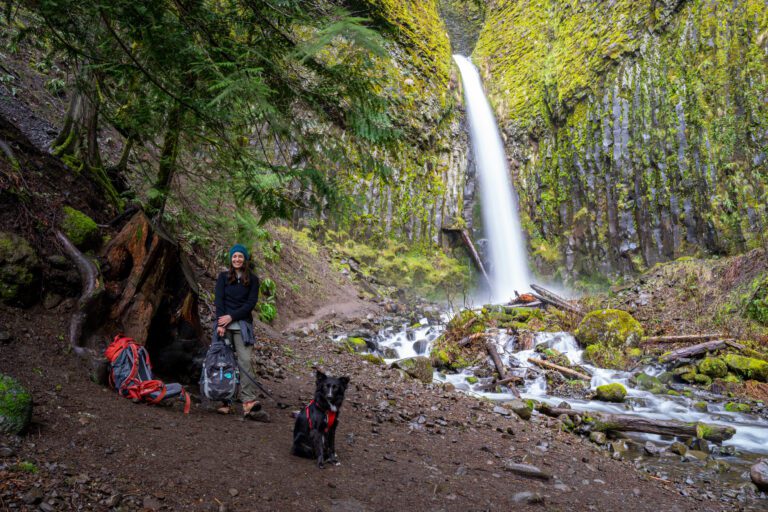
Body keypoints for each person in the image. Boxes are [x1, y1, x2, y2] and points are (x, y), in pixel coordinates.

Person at [213, 243, 267, 421]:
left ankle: (248, 401)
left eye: (240, 257)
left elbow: (250, 304)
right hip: (223, 327)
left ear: (245, 259)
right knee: (223, 363)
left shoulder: (253, 280)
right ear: (231, 259)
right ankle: (224, 400)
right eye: (234, 256)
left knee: (245, 361)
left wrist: (231, 317)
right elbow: (219, 301)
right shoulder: (222, 277)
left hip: (242, 326)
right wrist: (222, 322)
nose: (237, 259)